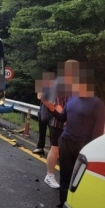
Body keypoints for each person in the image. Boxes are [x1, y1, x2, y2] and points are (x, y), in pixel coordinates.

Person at [41, 60, 105, 207]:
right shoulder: (72, 99)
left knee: (77, 180)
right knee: (64, 177)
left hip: (82, 146)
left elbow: (96, 134)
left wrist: (88, 151)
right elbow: (63, 118)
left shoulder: (97, 104)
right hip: (66, 142)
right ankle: (62, 203)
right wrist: (50, 107)